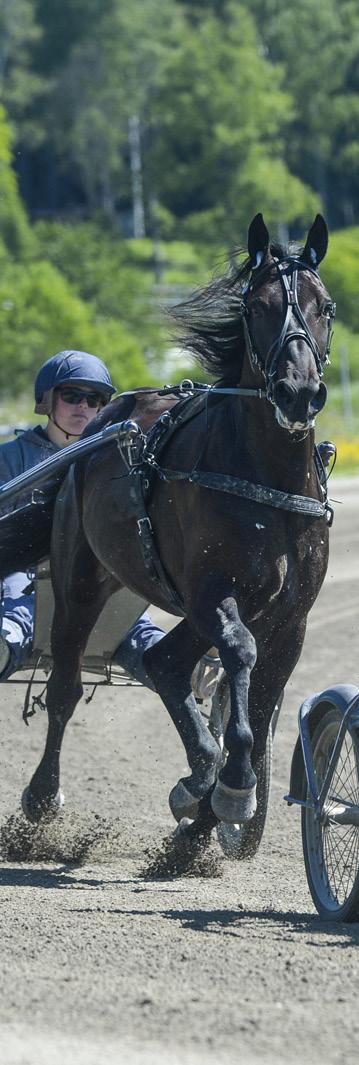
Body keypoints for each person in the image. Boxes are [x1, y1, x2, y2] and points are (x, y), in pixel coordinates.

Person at [0, 349, 221, 697]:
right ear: (47, 400)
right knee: (18, 618)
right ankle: (6, 642)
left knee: (138, 630)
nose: (83, 407)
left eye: (95, 399)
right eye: (72, 396)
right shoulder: (9, 457)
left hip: (102, 581)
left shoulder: (114, 462)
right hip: (25, 584)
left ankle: (191, 674)